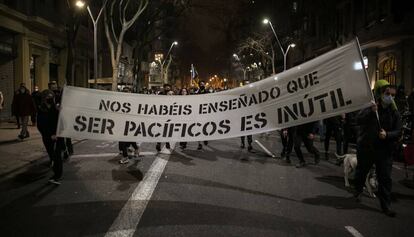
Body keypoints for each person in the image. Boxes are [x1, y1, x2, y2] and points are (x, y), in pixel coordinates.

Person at [353, 80, 402, 217]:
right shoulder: (371, 107)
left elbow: (398, 131)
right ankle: (357, 190)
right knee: (362, 172)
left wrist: (387, 135)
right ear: (381, 94)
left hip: (385, 151)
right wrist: (370, 111)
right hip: (368, 148)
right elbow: (358, 119)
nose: (390, 97)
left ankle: (385, 206)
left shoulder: (394, 113)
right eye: (387, 94)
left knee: (385, 178)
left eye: (393, 95)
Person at [37, 90, 64, 185]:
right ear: (44, 99)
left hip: (58, 137)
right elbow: (40, 125)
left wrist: (61, 112)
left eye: (51, 97)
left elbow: (62, 122)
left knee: (57, 157)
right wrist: (49, 135)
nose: (49, 99)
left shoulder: (56, 109)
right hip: (48, 138)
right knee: (52, 156)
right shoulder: (41, 109)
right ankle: (55, 172)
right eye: (47, 97)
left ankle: (57, 176)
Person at [118, 87, 140, 163]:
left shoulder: (134, 100)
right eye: (124, 91)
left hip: (131, 123)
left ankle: (126, 156)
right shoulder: (120, 99)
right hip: (122, 122)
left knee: (127, 138)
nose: (125, 92)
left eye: (127, 91)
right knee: (123, 139)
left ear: (130, 91)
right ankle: (134, 150)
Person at [155, 84, 172, 153]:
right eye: (166, 88)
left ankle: (167, 142)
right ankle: (159, 143)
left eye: (169, 88)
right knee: (161, 129)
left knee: (167, 129)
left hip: (169, 114)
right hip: (162, 114)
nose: (168, 88)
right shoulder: (161, 94)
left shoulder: (172, 94)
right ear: (164, 88)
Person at [195, 81, 209, 150]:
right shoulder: (197, 92)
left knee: (205, 127)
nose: (202, 85)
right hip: (198, 112)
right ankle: (199, 144)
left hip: (206, 113)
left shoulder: (207, 91)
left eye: (203, 84)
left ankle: (205, 138)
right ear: (199, 85)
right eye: (201, 84)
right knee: (198, 128)